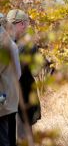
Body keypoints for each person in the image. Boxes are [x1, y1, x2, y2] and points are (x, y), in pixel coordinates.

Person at [6, 9, 41, 142]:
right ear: (21, 24)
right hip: (23, 96)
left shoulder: (3, 41)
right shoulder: (29, 45)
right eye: (25, 23)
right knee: (24, 136)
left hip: (6, 97)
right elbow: (36, 71)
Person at [0, 13, 21, 146]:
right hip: (9, 96)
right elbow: (18, 73)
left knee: (2, 138)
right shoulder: (7, 40)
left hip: (2, 97)